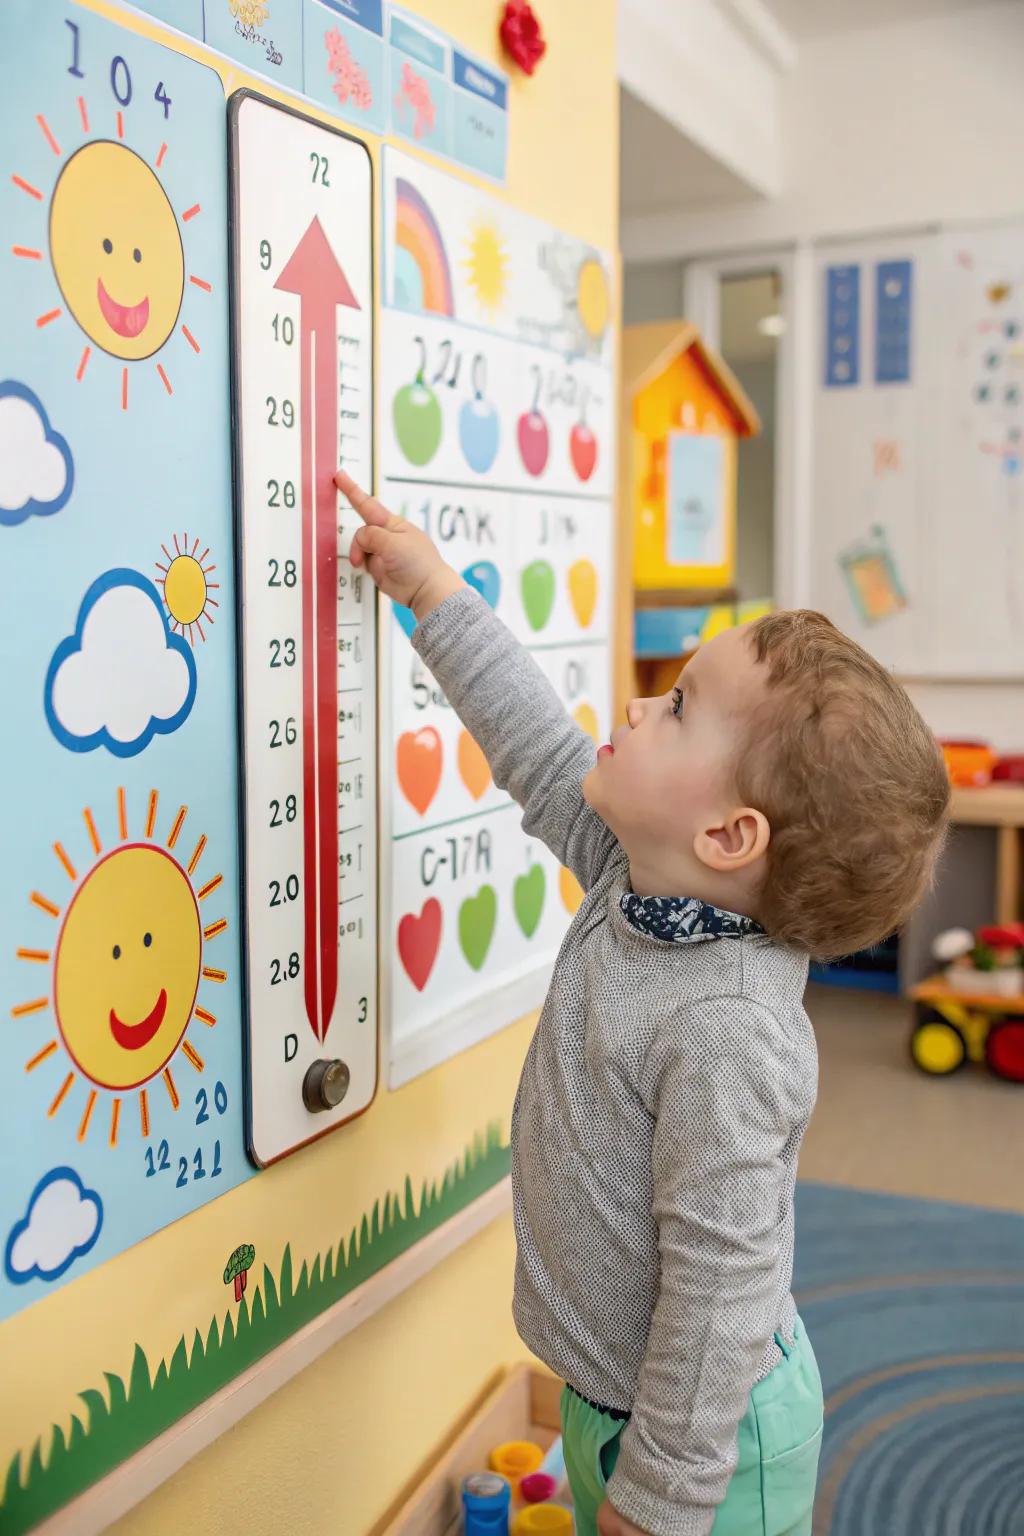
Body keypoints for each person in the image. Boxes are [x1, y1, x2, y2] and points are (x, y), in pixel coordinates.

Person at [335, 470, 950, 1536]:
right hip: (617, 1406)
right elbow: (533, 746)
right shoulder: (641, 880)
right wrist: (429, 587)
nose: (633, 704)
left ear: (726, 837)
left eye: (675, 708)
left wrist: (659, 1499)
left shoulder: (727, 1032)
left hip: (706, 1447)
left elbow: (721, 1288)